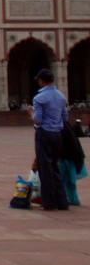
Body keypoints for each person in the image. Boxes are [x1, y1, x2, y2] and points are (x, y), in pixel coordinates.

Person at [28, 68, 69, 211]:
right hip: (57, 134)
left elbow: (37, 120)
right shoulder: (61, 96)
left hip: (44, 133)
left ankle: (49, 203)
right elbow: (65, 118)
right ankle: (62, 202)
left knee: (45, 168)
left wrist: (30, 113)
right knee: (55, 167)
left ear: (41, 81)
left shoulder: (39, 98)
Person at [59, 120, 87, 205]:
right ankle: (71, 199)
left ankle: (68, 199)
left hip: (70, 157)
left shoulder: (61, 127)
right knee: (67, 179)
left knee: (67, 179)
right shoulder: (65, 126)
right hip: (71, 156)